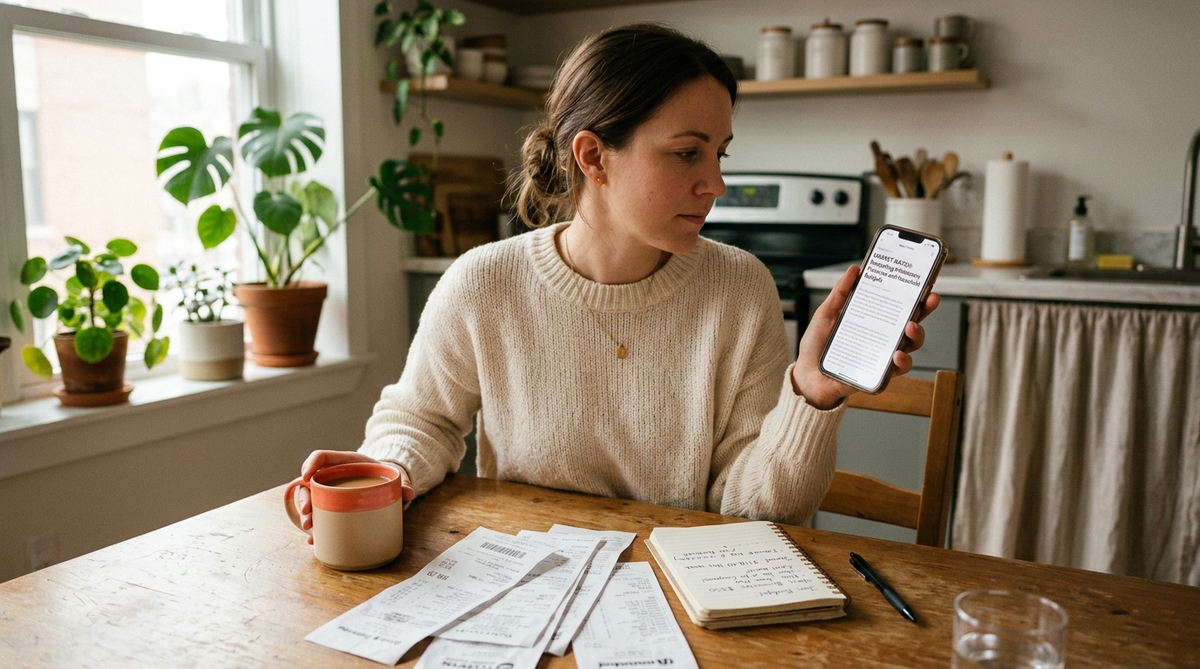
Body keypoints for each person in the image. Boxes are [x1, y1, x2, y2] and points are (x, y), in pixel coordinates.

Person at [296, 23, 938, 537]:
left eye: (721, 153)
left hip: (682, 595)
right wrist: (385, 473)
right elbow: (422, 419)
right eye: (688, 152)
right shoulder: (483, 283)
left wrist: (812, 393)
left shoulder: (739, 289)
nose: (715, 183)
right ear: (594, 156)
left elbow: (752, 515)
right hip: (529, 582)